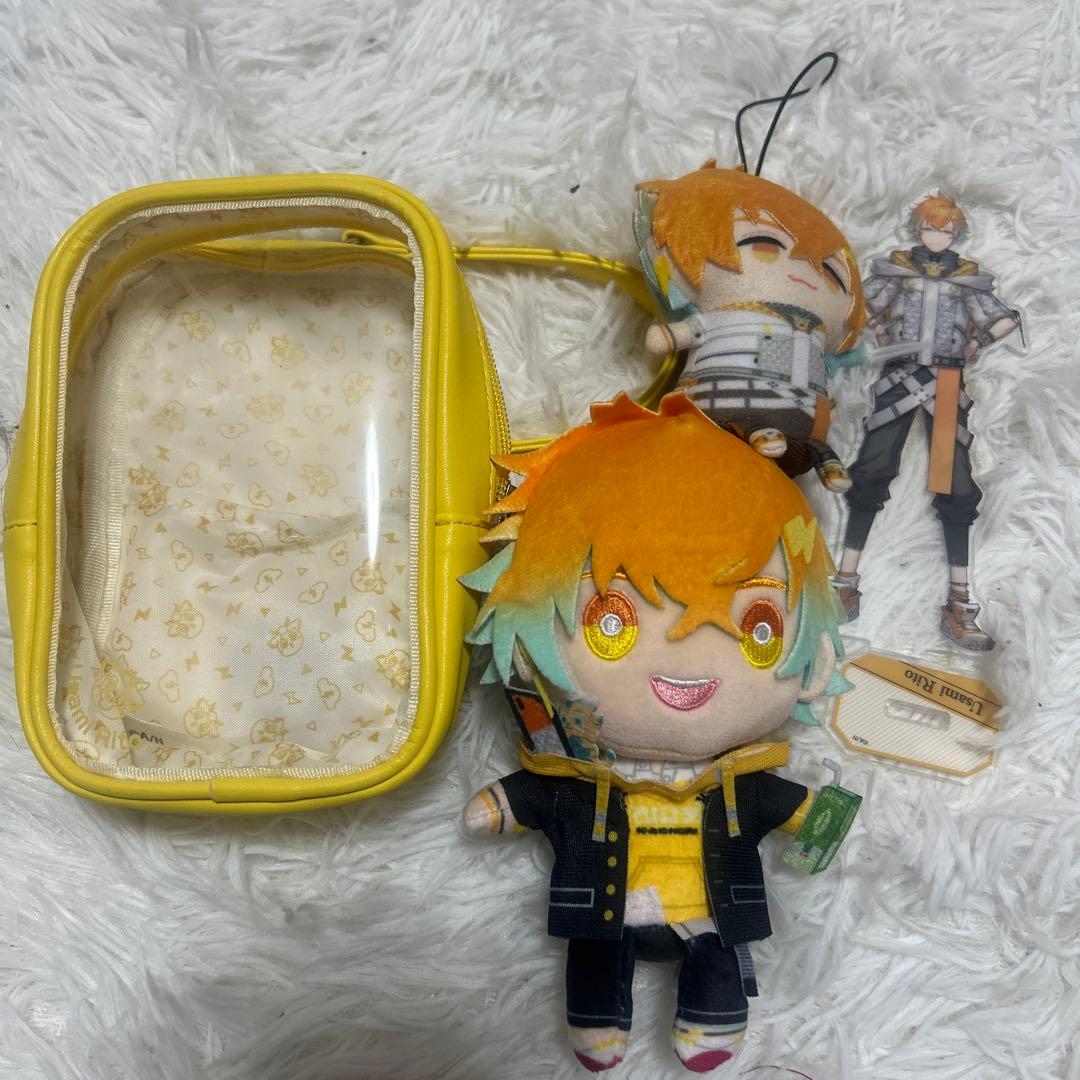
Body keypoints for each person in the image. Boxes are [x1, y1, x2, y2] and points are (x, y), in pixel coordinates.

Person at [834, 193, 1018, 651]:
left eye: (946, 230)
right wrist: (878, 329)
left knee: (953, 483)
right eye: (931, 228)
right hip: (898, 375)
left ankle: (960, 603)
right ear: (919, 229)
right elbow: (859, 304)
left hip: (947, 382)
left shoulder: (967, 277)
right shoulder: (896, 269)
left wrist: (976, 341)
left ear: (957, 234)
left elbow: (1005, 319)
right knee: (871, 471)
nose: (937, 236)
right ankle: (844, 584)